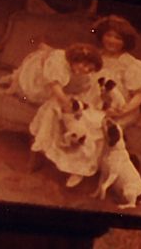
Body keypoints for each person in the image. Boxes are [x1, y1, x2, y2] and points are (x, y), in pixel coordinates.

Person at [12, 40, 105, 184]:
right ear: (75, 60)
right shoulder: (59, 65)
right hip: (39, 79)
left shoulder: (83, 74)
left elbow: (83, 89)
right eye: (84, 65)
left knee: (85, 117)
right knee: (48, 102)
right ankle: (14, 79)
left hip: (58, 77)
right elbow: (56, 88)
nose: (86, 70)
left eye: (90, 69)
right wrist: (65, 103)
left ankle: (77, 165)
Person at [89, 13, 141, 125]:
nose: (111, 40)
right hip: (92, 103)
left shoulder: (132, 64)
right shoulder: (93, 57)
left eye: (118, 38)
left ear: (125, 42)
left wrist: (122, 111)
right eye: (108, 35)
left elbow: (139, 96)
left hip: (120, 110)